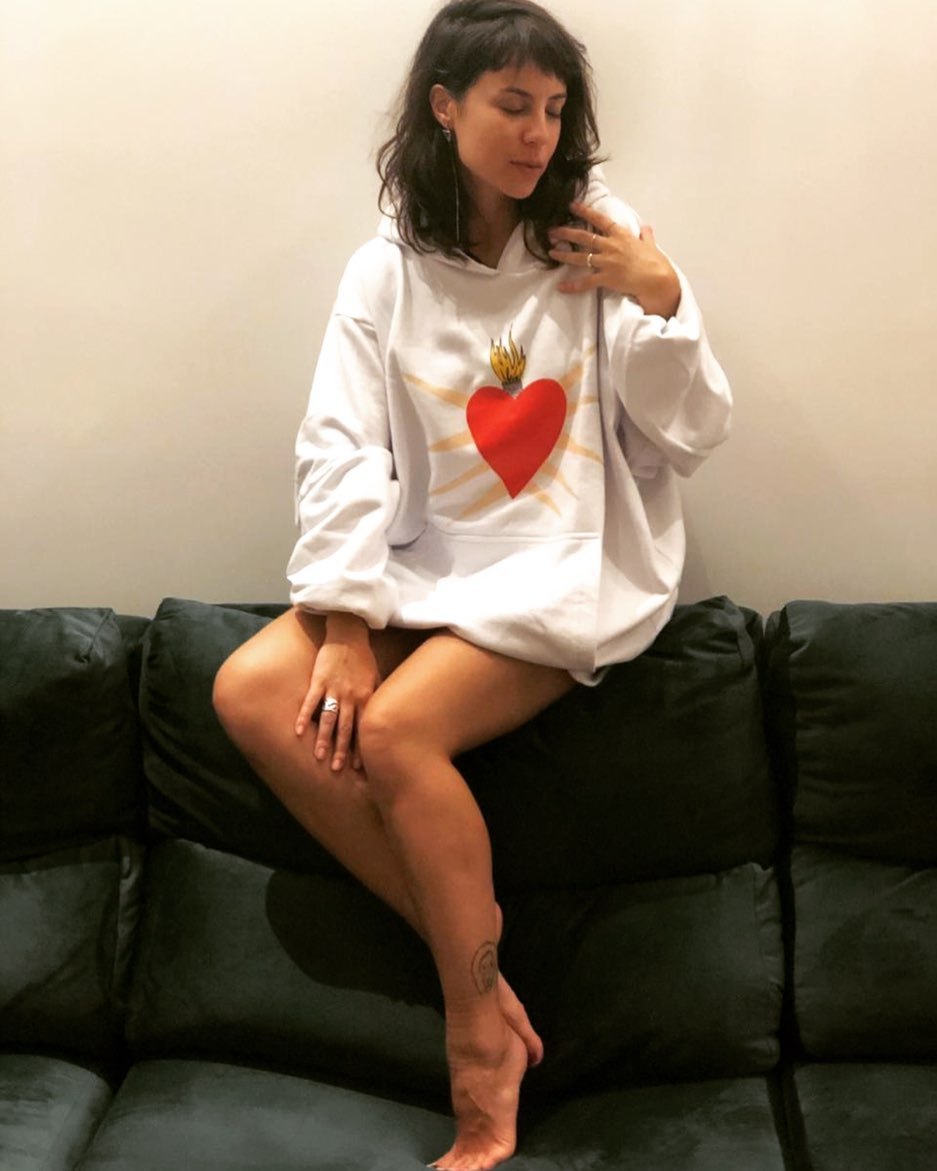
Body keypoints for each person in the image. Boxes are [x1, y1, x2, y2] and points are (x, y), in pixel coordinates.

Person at [212, 1, 732, 1167]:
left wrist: (661, 297)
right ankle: (477, 962)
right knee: (249, 690)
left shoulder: (595, 238)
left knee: (395, 731)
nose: (538, 133)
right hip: (429, 561)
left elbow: (689, 434)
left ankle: (477, 1049)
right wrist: (343, 624)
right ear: (443, 107)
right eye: (511, 105)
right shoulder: (386, 267)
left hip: (566, 563)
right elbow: (341, 448)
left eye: (553, 109)